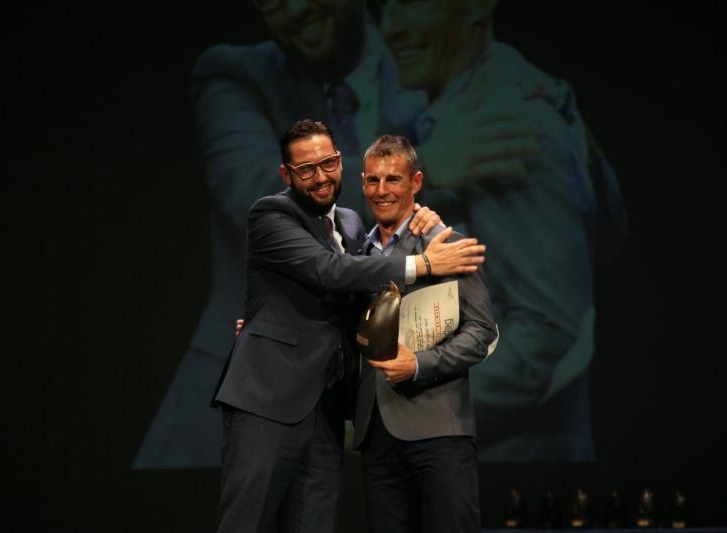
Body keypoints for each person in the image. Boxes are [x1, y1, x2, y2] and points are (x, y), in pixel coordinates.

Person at [134, 0, 425, 468]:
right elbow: (249, 188)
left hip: (373, 381)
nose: (293, 11)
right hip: (246, 374)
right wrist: (430, 164)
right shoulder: (235, 72)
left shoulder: (430, 56)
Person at [376, 0, 627, 461]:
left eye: (413, 4)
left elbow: (545, 337)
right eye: (385, 7)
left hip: (504, 462)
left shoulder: (510, 122)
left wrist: (405, 414)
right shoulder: (481, 98)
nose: (390, 27)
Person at [213, 119, 485, 532]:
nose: (320, 177)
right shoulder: (272, 214)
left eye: (328, 163)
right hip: (270, 402)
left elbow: (478, 330)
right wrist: (425, 264)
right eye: (306, 169)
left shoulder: (358, 228)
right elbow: (329, 271)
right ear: (287, 174)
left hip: (331, 413)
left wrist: (421, 215)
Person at [352, 134, 498, 533]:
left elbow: (482, 331)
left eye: (393, 180)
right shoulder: (356, 255)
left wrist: (419, 364)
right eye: (373, 181)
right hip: (376, 433)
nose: (381, 191)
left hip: (440, 431)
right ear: (363, 182)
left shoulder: (445, 244)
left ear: (416, 182)